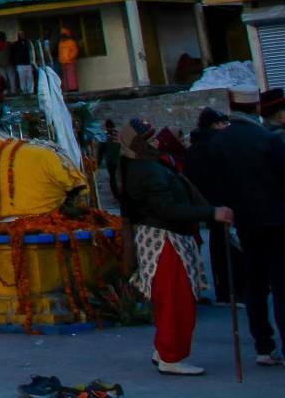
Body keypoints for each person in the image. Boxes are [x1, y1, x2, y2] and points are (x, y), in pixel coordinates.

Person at [119, 117, 232, 376]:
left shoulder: (145, 165)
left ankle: (165, 350)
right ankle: (171, 355)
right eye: (151, 139)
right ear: (139, 144)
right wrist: (211, 213)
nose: (158, 142)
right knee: (175, 301)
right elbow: (167, 208)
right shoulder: (145, 170)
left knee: (172, 299)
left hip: (166, 237)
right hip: (164, 241)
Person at [205, 90, 285, 367]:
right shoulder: (268, 139)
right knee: (281, 284)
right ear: (256, 109)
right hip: (276, 221)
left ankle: (264, 346)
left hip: (242, 223)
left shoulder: (219, 142)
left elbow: (213, 184)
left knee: (256, 284)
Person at [184, 107, 236, 305]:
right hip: (226, 203)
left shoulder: (193, 149)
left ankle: (223, 289)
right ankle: (233, 290)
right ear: (214, 125)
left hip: (207, 205)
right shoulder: (221, 144)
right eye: (223, 124)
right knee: (231, 249)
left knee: (218, 247)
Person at [57, 26, 82, 92]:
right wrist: (61, 60)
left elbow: (75, 51)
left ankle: (74, 89)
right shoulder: (60, 43)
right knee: (66, 78)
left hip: (70, 62)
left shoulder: (71, 42)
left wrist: (69, 58)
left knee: (72, 77)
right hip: (63, 63)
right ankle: (69, 89)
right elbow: (60, 53)